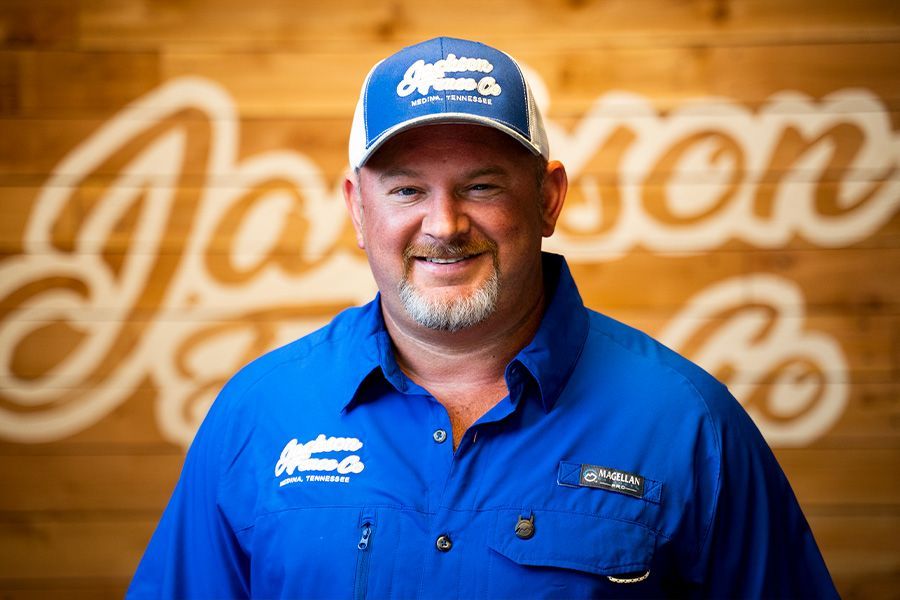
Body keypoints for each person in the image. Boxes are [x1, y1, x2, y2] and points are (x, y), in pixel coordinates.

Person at [128, 36, 838, 598]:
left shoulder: (688, 425)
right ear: (356, 207)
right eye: (407, 189)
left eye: (482, 185)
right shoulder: (259, 413)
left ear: (548, 199)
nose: (444, 223)